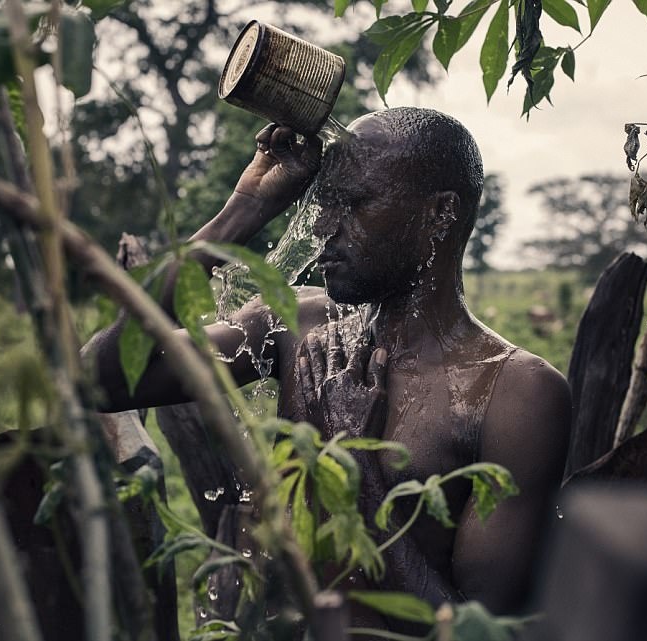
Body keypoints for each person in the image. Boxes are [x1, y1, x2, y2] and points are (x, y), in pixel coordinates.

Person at [87, 107, 571, 622]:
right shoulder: (298, 324)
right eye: (323, 202)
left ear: (441, 213)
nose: (322, 225)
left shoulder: (513, 392)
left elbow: (479, 632)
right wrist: (245, 210)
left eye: (353, 203)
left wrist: (353, 468)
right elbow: (98, 380)